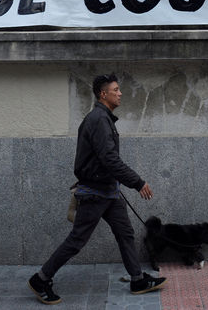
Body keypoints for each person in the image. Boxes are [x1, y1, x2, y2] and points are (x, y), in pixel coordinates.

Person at [29, 73, 167, 305]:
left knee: (125, 233)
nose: (120, 93)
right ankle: (40, 279)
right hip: (95, 193)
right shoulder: (98, 120)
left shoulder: (103, 119)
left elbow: (105, 160)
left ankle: (137, 279)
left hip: (109, 191)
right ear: (103, 94)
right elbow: (109, 159)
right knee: (77, 240)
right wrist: (138, 182)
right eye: (116, 90)